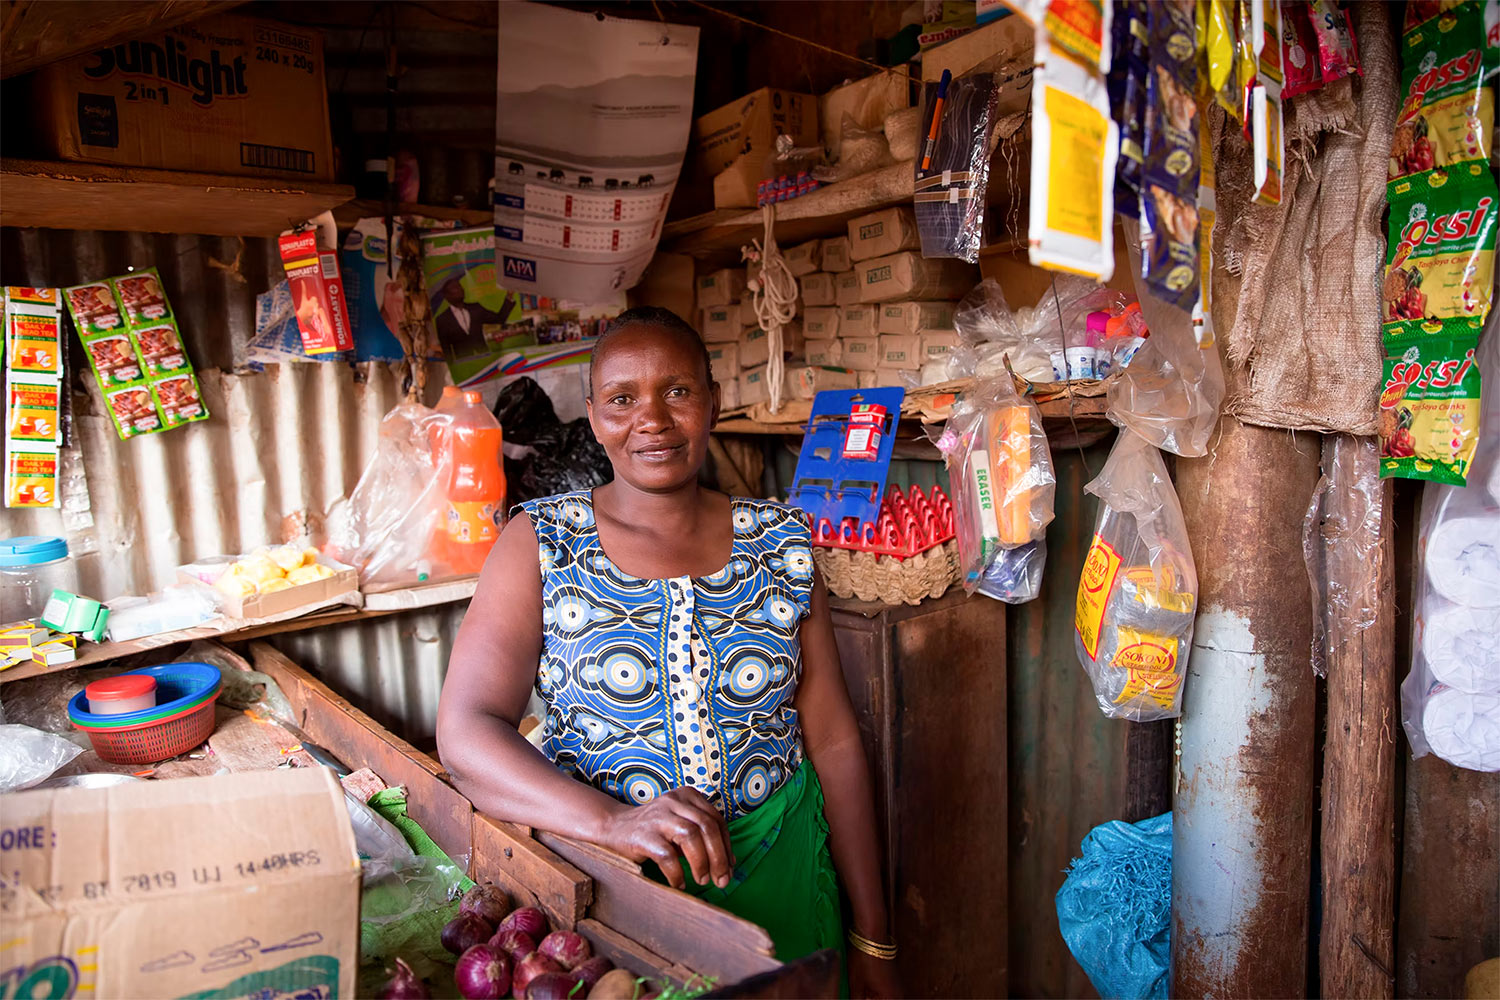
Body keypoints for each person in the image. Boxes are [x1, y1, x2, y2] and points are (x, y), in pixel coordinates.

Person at [438, 307, 900, 998]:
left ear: (711, 402)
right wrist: (614, 822)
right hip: (614, 897)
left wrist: (875, 939)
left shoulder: (783, 542)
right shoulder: (541, 542)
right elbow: (465, 732)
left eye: (677, 391)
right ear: (594, 416)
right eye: (624, 399)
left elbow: (832, 741)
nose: (651, 419)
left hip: (785, 875)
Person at [434, 277, 508, 357]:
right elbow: (446, 348)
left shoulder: (476, 308)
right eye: (454, 288)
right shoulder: (442, 319)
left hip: (485, 358)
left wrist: (509, 297)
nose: (460, 289)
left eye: (460, 286)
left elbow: (500, 318)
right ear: (446, 296)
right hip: (463, 363)